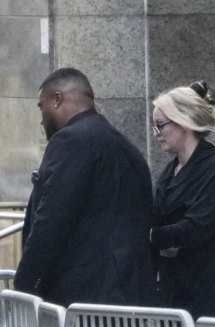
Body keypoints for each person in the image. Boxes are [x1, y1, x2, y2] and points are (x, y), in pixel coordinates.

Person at [14, 68, 157, 307]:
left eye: (42, 106)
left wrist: (25, 288)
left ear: (57, 99)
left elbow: (51, 220)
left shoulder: (71, 141)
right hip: (128, 297)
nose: (41, 118)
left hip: (84, 300)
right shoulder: (125, 147)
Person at [150, 81, 215, 321]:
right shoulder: (171, 170)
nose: (156, 133)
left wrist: (150, 236)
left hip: (209, 296)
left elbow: (197, 227)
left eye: (160, 124)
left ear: (183, 121)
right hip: (175, 293)